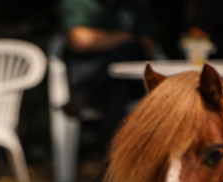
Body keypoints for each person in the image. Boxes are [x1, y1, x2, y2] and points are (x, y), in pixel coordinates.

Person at [59, 0, 162, 155]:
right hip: (106, 81)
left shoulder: (137, 5)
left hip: (134, 80)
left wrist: (107, 40)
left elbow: (148, 46)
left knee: (134, 50)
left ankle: (87, 89)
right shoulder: (78, 3)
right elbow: (79, 40)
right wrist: (127, 37)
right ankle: (114, 165)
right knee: (117, 89)